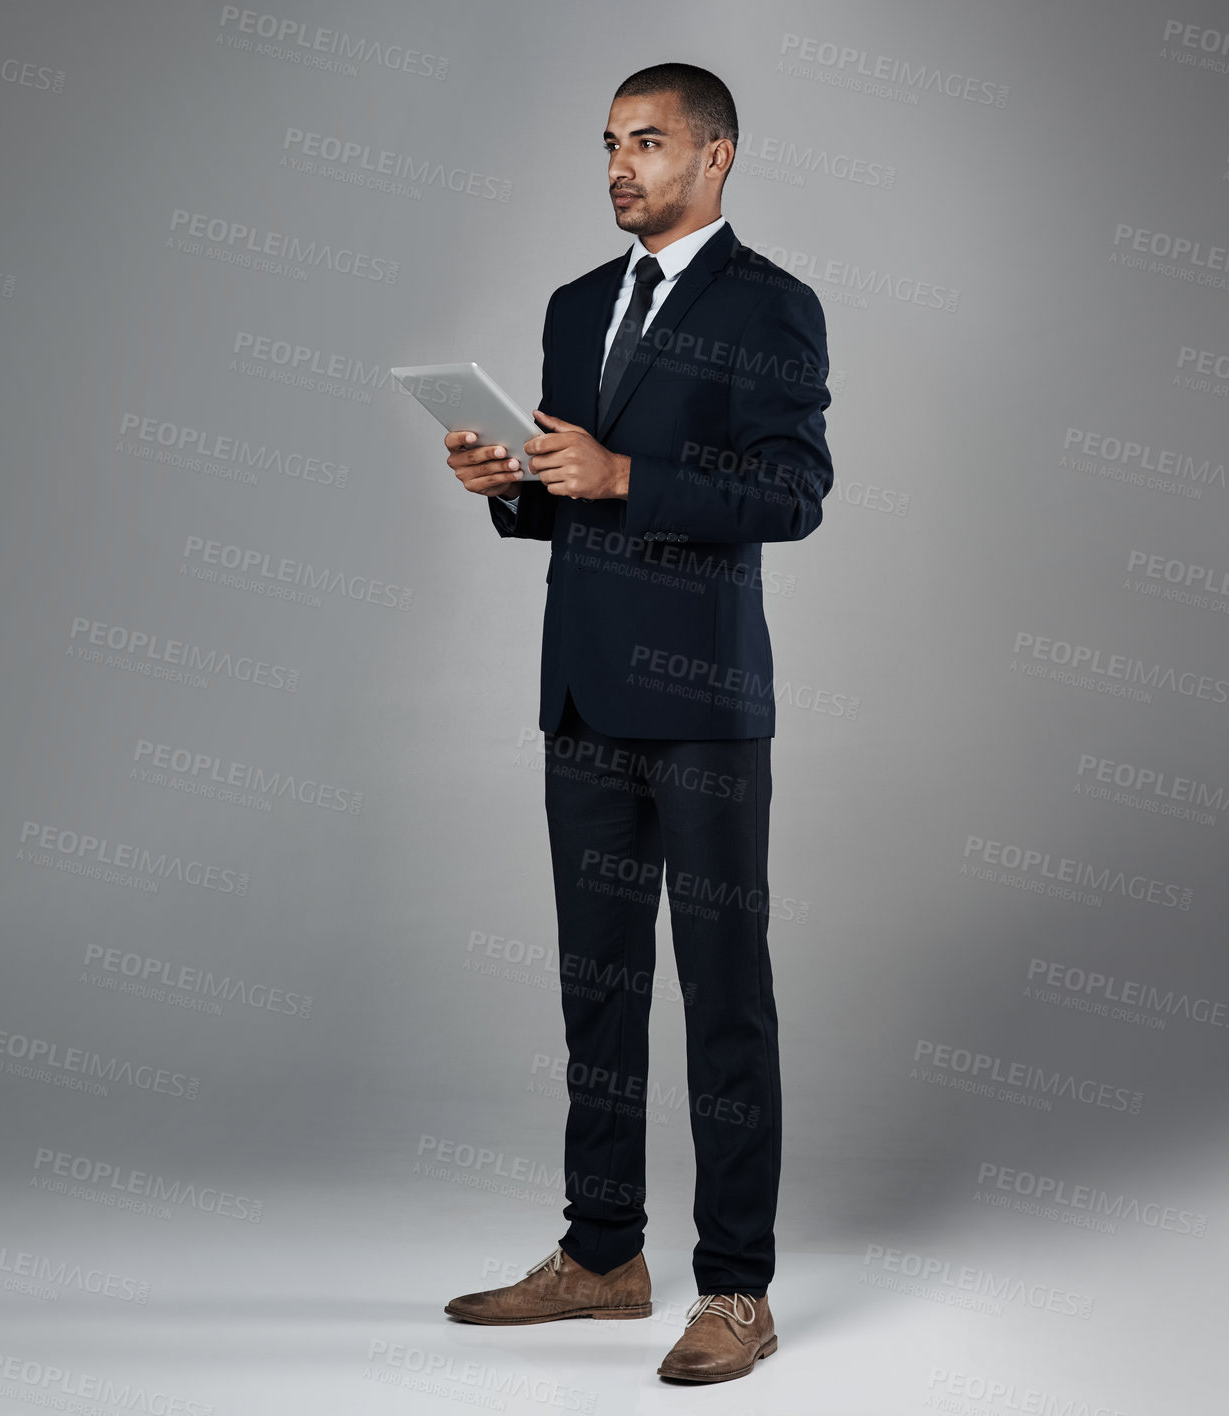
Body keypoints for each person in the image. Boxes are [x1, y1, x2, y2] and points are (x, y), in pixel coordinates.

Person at [441, 61, 834, 1385]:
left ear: (715, 159)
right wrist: (511, 483)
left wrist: (627, 474)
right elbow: (572, 495)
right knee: (596, 990)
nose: (622, 166)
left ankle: (737, 1289)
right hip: (583, 694)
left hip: (708, 705)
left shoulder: (772, 307)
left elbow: (793, 492)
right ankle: (603, 1254)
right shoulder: (570, 307)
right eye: (610, 143)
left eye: (650, 142)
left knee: (724, 998)